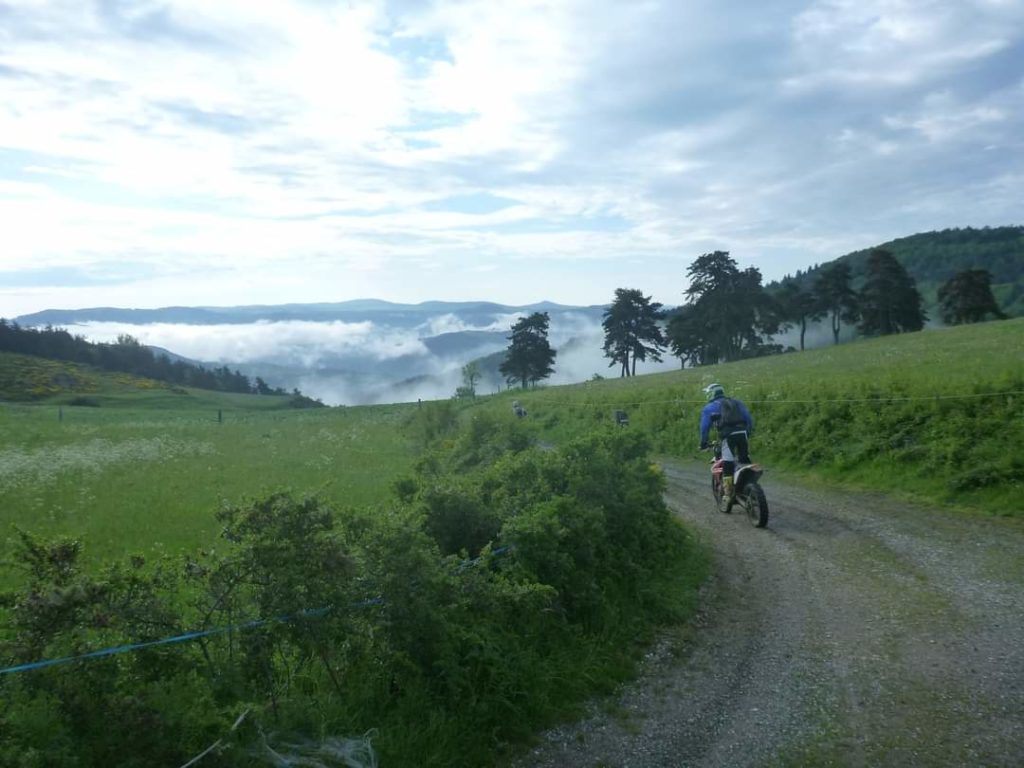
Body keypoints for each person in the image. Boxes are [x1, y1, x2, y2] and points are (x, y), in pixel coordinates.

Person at [699, 383, 754, 502]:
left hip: (727, 436)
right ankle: (750, 486)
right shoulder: (736, 402)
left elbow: (704, 427)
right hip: (743, 432)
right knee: (744, 459)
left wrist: (703, 442)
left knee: (727, 463)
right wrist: (747, 432)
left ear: (711, 394)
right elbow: (748, 418)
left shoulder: (709, 407)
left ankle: (728, 494)